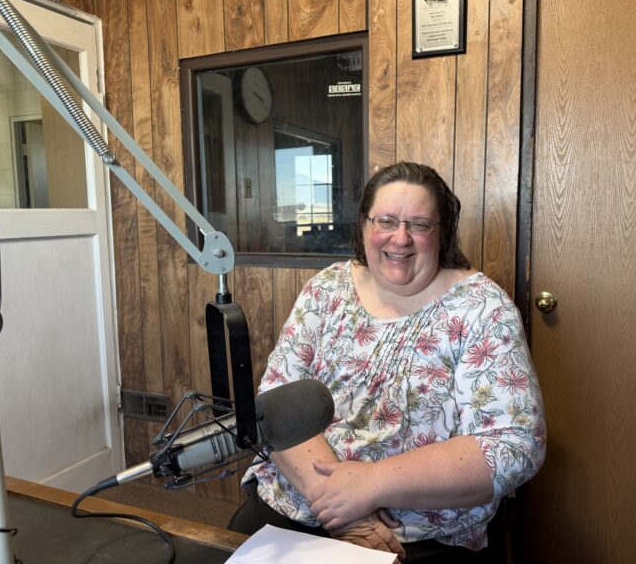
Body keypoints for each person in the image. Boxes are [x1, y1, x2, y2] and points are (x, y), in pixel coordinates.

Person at [228, 162, 546, 563]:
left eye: (419, 224)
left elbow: (515, 445)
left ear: (443, 232)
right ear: (364, 225)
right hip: (297, 499)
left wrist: (369, 485)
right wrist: (339, 507)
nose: (400, 238)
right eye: (386, 221)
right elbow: (276, 401)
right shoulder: (327, 289)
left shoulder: (482, 309)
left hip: (412, 534)